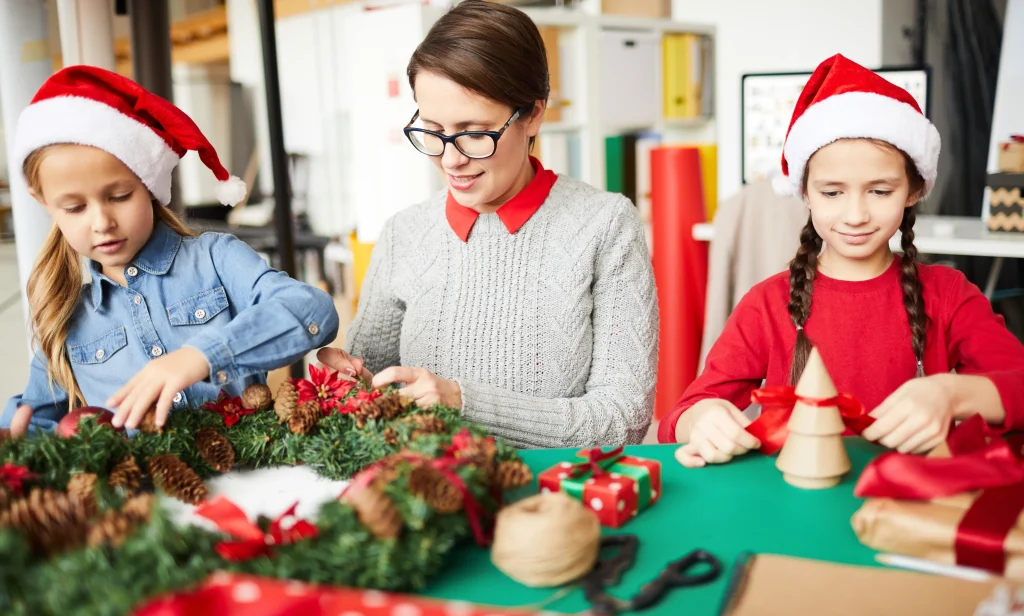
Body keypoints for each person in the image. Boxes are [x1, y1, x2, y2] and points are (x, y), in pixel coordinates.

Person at [318, 0, 659, 449]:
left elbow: (622, 420)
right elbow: (372, 385)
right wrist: (347, 379)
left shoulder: (606, 226)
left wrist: (464, 402)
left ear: (534, 114)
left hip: (552, 507)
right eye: (433, 131)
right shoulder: (406, 232)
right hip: (424, 500)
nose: (451, 159)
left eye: (474, 132)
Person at [662, 54, 1024, 465]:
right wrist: (703, 418)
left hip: (911, 506)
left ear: (913, 190)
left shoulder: (949, 295)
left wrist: (949, 393)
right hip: (796, 508)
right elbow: (679, 417)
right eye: (832, 193)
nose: (856, 215)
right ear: (805, 193)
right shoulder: (766, 304)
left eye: (880, 191)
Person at [0, 66, 338, 433]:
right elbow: (33, 424)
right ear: (45, 203)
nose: (101, 222)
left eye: (119, 196)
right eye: (75, 208)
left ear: (149, 184)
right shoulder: (66, 316)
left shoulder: (217, 259)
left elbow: (312, 309)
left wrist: (201, 355)